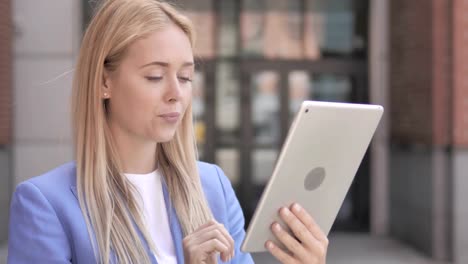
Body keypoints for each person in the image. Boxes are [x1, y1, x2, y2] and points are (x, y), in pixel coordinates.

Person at [7, 0, 329, 263]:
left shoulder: (213, 189)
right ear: (104, 82)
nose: (176, 93)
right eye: (155, 76)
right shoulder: (46, 205)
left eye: (186, 77)